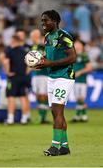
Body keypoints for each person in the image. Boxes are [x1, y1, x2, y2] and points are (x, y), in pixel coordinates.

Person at [35, 10, 76, 156]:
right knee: (55, 112)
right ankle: (64, 147)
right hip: (51, 77)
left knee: (57, 111)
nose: (43, 23)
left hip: (64, 77)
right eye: (42, 20)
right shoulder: (47, 37)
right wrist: (41, 62)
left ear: (55, 21)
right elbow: (48, 55)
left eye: (46, 20)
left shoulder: (64, 36)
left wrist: (51, 62)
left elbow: (72, 58)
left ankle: (54, 146)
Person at [0, 35, 31, 124]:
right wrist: (26, 72)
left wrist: (7, 72)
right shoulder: (25, 51)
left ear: (14, 40)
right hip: (23, 77)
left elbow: (6, 62)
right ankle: (24, 119)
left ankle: (10, 119)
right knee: (23, 97)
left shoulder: (10, 51)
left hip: (13, 77)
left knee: (11, 97)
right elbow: (30, 64)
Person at [71, 38, 92, 122]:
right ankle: (81, 115)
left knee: (81, 98)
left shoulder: (84, 55)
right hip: (74, 80)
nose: (77, 45)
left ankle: (81, 115)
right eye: (76, 44)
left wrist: (80, 72)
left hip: (82, 80)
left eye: (79, 44)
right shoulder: (72, 55)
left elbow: (89, 67)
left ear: (82, 46)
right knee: (77, 98)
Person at [30, 29, 49, 124]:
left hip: (43, 74)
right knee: (38, 94)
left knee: (43, 94)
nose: (31, 37)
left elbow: (45, 58)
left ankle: (43, 117)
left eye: (33, 35)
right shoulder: (34, 46)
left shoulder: (42, 46)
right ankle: (41, 115)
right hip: (35, 74)